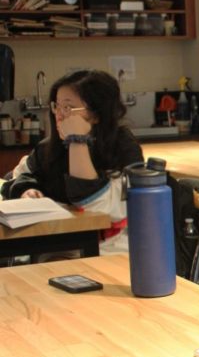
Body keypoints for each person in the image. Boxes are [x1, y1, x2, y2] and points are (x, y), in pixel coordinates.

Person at [0, 70, 143, 253]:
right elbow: (17, 177)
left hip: (111, 249)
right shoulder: (49, 148)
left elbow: (96, 206)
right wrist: (26, 190)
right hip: (55, 247)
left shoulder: (123, 148)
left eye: (68, 108)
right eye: (56, 106)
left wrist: (77, 141)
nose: (59, 115)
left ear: (97, 114)